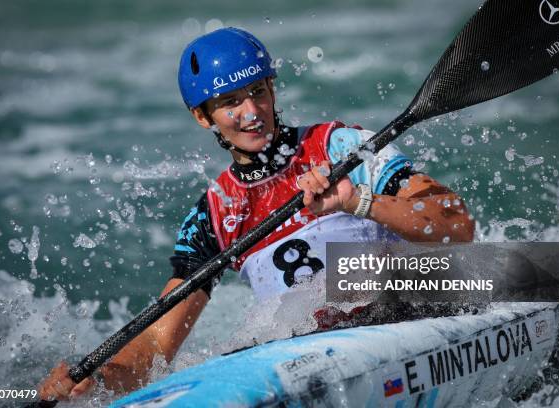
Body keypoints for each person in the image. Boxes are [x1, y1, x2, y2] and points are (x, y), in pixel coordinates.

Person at [39, 27, 474, 401]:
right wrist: (95, 383)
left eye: (258, 92)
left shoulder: (340, 147)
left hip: (416, 311)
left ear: (272, 89)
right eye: (230, 102)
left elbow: (457, 227)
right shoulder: (215, 214)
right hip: (314, 351)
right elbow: (156, 340)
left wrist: (355, 200)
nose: (251, 113)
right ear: (201, 116)